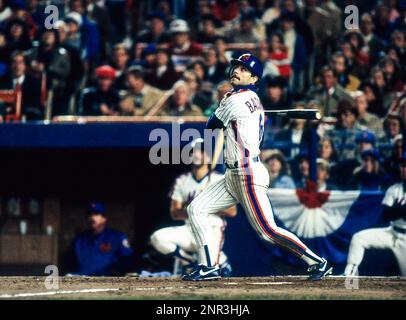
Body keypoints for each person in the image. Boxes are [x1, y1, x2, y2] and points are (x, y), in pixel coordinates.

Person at [183, 53, 332, 281]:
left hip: (247, 174)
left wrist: (222, 106)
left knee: (267, 231)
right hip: (233, 175)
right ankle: (207, 266)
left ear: (253, 78)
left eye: (243, 69)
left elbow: (211, 125)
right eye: (236, 67)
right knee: (196, 209)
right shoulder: (250, 100)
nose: (237, 71)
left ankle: (317, 262)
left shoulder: (234, 99)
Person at [150, 139, 237, 277]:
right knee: (157, 237)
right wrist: (193, 208)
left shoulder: (219, 179)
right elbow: (175, 213)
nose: (196, 154)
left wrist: (204, 205)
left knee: (210, 268)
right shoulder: (182, 180)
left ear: (209, 157)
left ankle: (222, 262)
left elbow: (232, 211)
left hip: (211, 229)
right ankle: (189, 262)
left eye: (201, 151)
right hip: (189, 229)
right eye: (193, 152)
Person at [344, 152, 406, 277]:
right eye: (403, 165)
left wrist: (398, 209)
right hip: (392, 232)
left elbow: (393, 211)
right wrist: (402, 210)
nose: (404, 169)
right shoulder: (394, 189)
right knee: (359, 238)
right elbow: (387, 214)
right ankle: (349, 276)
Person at [65, 202, 134, 276]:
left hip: (108, 284)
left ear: (104, 218)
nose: (92, 217)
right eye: (89, 214)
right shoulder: (79, 240)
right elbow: (69, 262)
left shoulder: (117, 237)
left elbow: (128, 261)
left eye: (96, 214)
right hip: (83, 283)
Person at [0, 50, 42, 120]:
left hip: (26, 118)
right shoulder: (2, 82)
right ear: (10, 65)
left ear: (25, 65)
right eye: (14, 62)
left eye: (20, 62)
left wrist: (15, 109)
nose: (17, 66)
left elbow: (35, 105)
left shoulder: (34, 83)